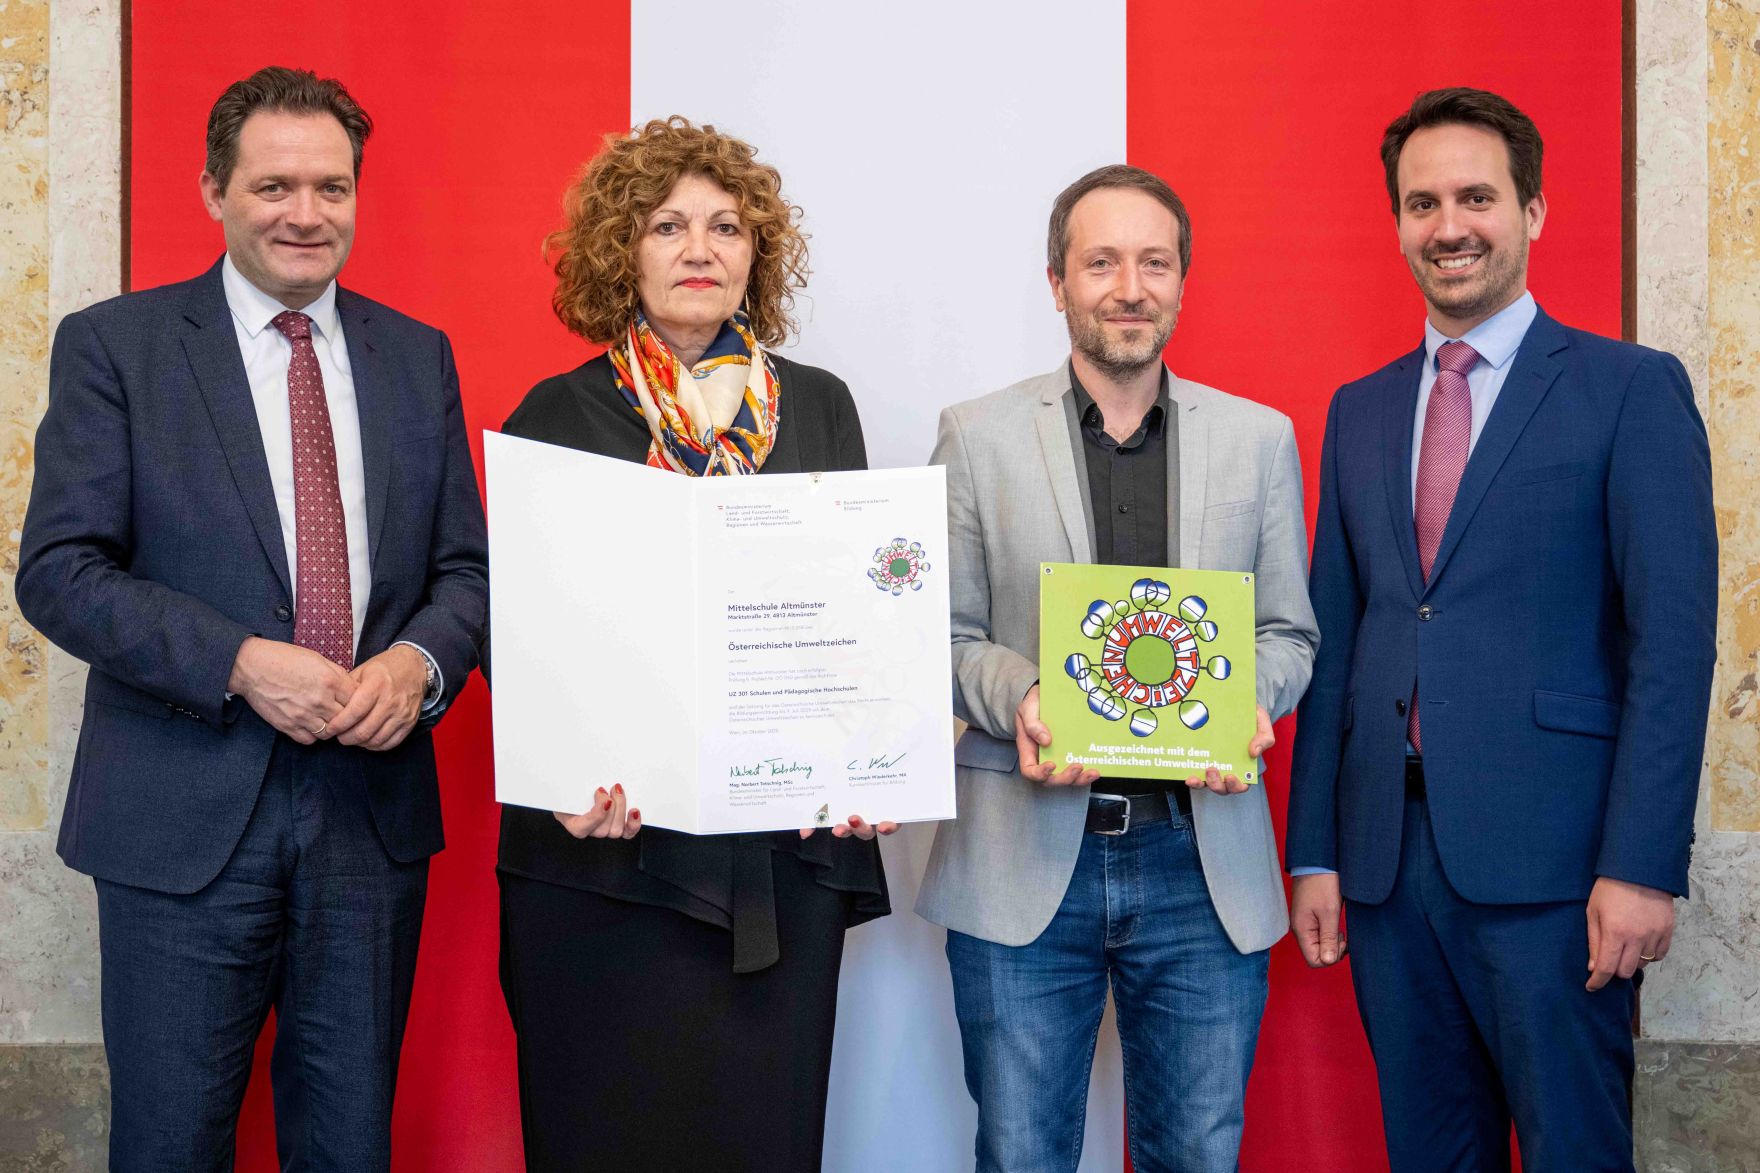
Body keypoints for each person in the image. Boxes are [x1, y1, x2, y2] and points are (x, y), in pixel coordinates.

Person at [15, 67, 489, 1170]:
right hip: (178, 824)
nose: (306, 214)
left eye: (332, 187)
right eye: (274, 185)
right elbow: (60, 571)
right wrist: (236, 661)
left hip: (366, 825)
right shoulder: (117, 347)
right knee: (170, 1145)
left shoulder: (414, 356)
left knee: (347, 1147)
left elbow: (464, 571)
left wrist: (419, 663)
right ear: (212, 191)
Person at [1286, 87, 1717, 1173]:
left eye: (1475, 196)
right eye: (1420, 202)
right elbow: (1335, 642)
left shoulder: (1628, 390)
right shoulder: (1359, 408)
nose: (1448, 226)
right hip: (1388, 870)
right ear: (1394, 222)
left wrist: (1639, 866)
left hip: (1561, 875)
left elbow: (1671, 649)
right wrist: (1315, 854)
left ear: (1531, 209)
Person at [494, 117, 892, 1172]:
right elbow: (516, 626)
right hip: (605, 861)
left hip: (777, 856)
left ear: (757, 253)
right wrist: (565, 769)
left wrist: (860, 759)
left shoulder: (817, 407)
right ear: (620, 251)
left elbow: (854, 617)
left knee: (759, 1135)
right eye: (666, 226)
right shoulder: (555, 414)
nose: (698, 248)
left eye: (725, 226)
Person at [913, 164, 1318, 1172]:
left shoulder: (1259, 439)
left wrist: (1245, 704)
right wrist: (1023, 695)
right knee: (1019, 1154)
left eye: (1152, 262)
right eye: (1099, 263)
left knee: (1196, 1154)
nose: (1127, 287)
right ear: (1056, 282)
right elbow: (937, 631)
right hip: (1021, 854)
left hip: (1200, 859)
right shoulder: (973, 438)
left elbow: (1287, 635)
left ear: (1181, 281)